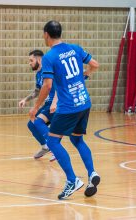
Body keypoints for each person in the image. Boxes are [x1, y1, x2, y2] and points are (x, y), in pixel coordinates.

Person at [30, 20, 100, 200]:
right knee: (77, 140)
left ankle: (72, 180)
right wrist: (84, 76)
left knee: (53, 143)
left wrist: (36, 107)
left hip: (68, 107)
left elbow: (47, 86)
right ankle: (92, 173)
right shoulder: (75, 48)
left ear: (46, 34)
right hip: (84, 103)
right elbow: (95, 64)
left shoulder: (49, 57)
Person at [19, 50, 56, 162]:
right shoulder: (38, 74)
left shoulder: (48, 70)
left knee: (38, 122)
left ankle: (55, 149)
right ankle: (45, 147)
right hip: (47, 104)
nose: (30, 63)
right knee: (31, 124)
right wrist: (25, 99)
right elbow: (37, 91)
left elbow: (58, 86)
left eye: (31, 60)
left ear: (39, 60)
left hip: (55, 104)